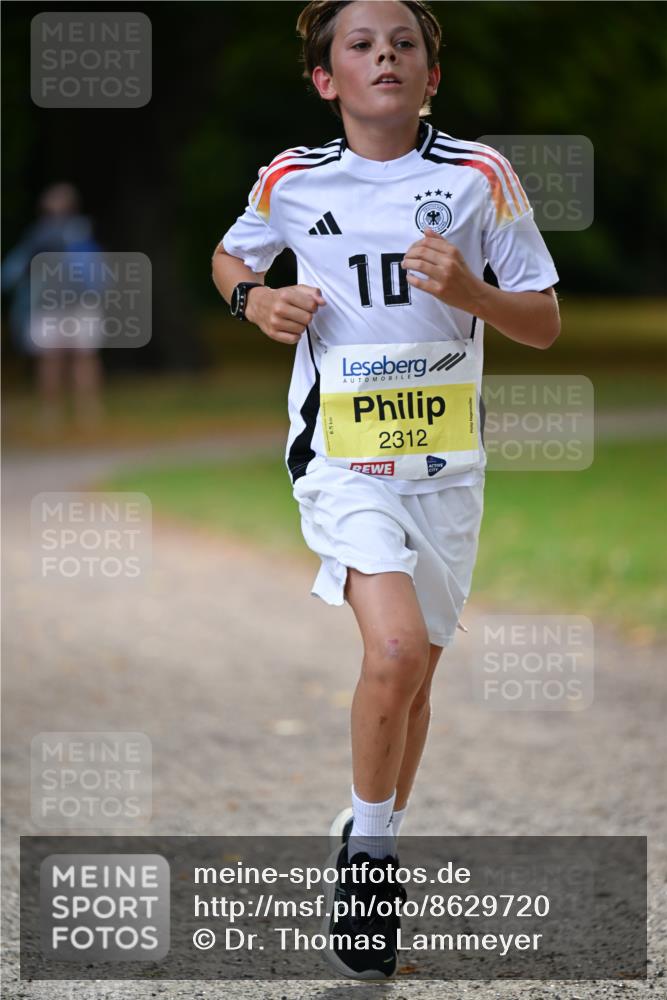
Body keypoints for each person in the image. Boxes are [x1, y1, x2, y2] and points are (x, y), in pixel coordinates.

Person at [212, 0, 560, 980]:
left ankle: (368, 825)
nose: (384, 57)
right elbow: (229, 254)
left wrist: (473, 295)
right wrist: (256, 298)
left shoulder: (478, 176)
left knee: (414, 679)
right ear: (327, 79)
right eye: (360, 45)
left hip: (447, 469)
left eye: (403, 43)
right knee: (394, 646)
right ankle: (370, 857)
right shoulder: (289, 179)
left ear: (430, 73)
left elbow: (541, 323)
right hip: (340, 457)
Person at [1, 182, 105, 431]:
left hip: (79, 303)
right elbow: (14, 270)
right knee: (51, 359)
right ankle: (52, 413)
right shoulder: (37, 236)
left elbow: (97, 270)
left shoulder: (81, 233)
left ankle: (88, 411)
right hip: (48, 305)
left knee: (83, 357)